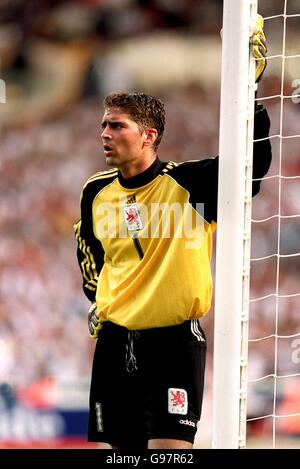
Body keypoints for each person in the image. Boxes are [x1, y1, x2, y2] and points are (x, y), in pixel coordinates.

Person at [74, 17, 271, 449]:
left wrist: (251, 94)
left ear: (149, 136)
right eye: (104, 125)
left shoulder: (191, 186)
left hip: (174, 342)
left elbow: (250, 167)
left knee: (170, 453)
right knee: (119, 456)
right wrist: (97, 301)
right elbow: (88, 253)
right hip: (115, 343)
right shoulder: (95, 192)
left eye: (117, 125)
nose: (105, 134)